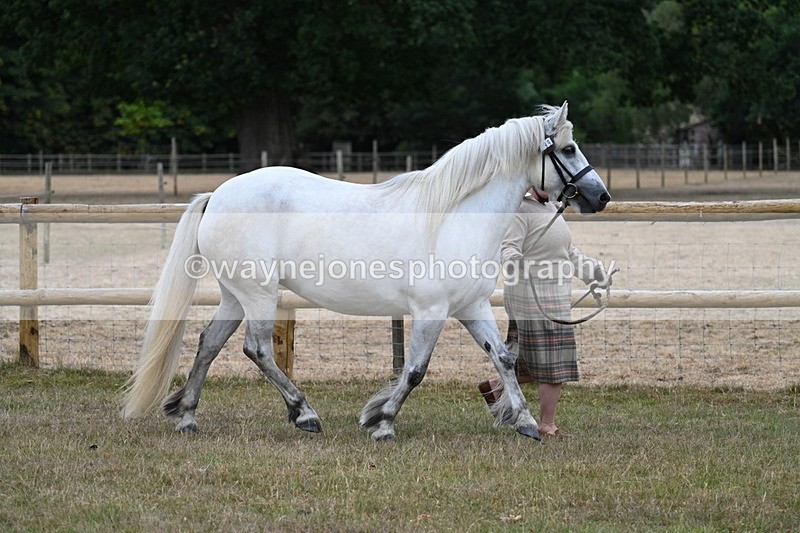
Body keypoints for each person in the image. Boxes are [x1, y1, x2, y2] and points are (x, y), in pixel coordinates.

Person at [477, 188, 612, 437]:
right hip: (532, 300)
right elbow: (508, 249)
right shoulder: (520, 209)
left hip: (553, 297)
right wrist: (521, 266)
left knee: (531, 362)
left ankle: (495, 387)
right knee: (553, 364)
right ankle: (547, 425)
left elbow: (569, 253)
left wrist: (595, 272)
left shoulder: (552, 207)